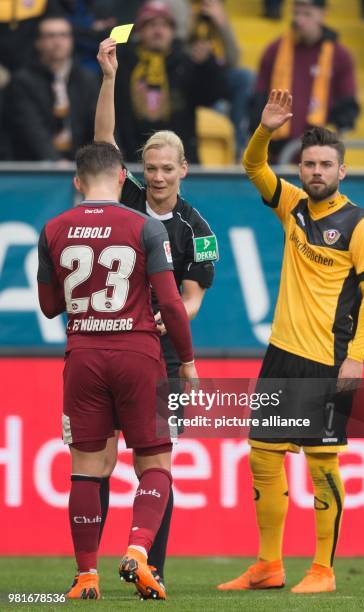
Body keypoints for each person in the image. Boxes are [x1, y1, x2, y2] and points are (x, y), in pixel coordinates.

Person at [218, 89, 364, 594]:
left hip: (329, 361)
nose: (315, 171)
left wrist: (355, 359)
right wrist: (266, 129)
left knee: (321, 463)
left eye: (325, 164)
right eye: (309, 163)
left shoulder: (361, 223)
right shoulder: (292, 206)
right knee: (263, 455)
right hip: (281, 354)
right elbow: (253, 167)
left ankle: (323, 569)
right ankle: (269, 564)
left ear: (342, 172)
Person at [37, 141, 197, 600]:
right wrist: (186, 360)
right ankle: (139, 550)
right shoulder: (145, 227)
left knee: (88, 469)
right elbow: (170, 302)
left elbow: (50, 307)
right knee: (155, 463)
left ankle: (87, 575)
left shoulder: (53, 228)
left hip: (83, 355)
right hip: (139, 355)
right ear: (125, 177)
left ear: (76, 181)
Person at [94, 38, 218, 589]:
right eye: (151, 168)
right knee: (95, 462)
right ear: (142, 169)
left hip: (164, 356)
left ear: (184, 169)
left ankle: (152, 569)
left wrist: (175, 317)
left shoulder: (201, 231)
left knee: (157, 465)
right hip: (113, 346)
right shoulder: (123, 204)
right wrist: (108, 78)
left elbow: (194, 296)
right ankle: (85, 568)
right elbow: (101, 145)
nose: (159, 176)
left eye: (168, 168)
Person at [114, 0, 226, 163]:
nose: (158, 31)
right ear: (140, 31)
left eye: (165, 25)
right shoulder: (123, 65)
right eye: (151, 25)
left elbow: (211, 96)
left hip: (178, 160)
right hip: (132, 157)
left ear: (173, 32)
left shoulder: (186, 63)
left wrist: (206, 66)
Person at [250, 0, 360, 162]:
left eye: (307, 14)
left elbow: (347, 107)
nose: (299, 20)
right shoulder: (274, 51)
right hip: (276, 153)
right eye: (296, 13)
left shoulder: (340, 56)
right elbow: (258, 101)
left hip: (319, 155)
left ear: (322, 15)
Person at [6, 15, 99, 161]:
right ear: (38, 42)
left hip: (83, 167)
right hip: (36, 168)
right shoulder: (22, 81)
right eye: (50, 36)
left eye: (64, 35)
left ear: (72, 40)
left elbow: (97, 125)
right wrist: (56, 163)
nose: (57, 42)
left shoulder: (87, 79)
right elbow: (32, 129)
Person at [189, 0, 254, 158]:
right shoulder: (186, 15)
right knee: (218, 107)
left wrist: (222, 24)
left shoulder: (220, 22)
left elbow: (233, 59)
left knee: (244, 77)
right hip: (191, 77)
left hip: (217, 78)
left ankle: (239, 145)